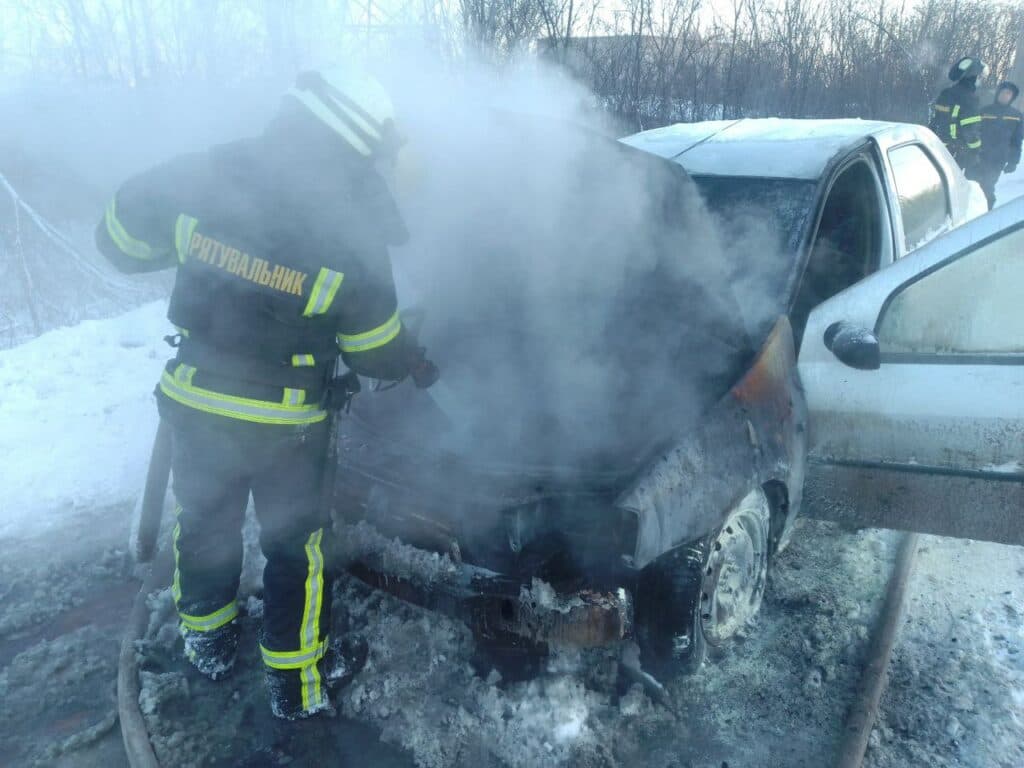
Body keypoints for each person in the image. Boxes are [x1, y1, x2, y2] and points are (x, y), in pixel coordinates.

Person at [96, 69, 438, 720]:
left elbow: (118, 238)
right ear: (362, 144)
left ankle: (209, 645)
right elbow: (373, 351)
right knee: (294, 547)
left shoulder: (211, 172)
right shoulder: (352, 226)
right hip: (288, 426)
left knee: (204, 523)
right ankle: (298, 685)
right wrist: (411, 355)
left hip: (197, 403)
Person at [930, 56, 987, 175]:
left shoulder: (946, 93)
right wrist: (975, 151)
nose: (980, 80)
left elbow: (935, 121)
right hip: (956, 152)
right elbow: (970, 129)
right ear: (973, 76)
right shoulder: (970, 99)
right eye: (979, 77)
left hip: (937, 147)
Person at [976, 81, 1023, 209]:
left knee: (987, 186)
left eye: (1008, 94)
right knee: (973, 185)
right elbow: (975, 131)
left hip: (998, 159)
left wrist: (1013, 162)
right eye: (1003, 92)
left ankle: (987, 211)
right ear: (998, 93)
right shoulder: (984, 111)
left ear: (1012, 97)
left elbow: (1017, 141)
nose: (1005, 95)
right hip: (979, 155)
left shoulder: (1017, 116)